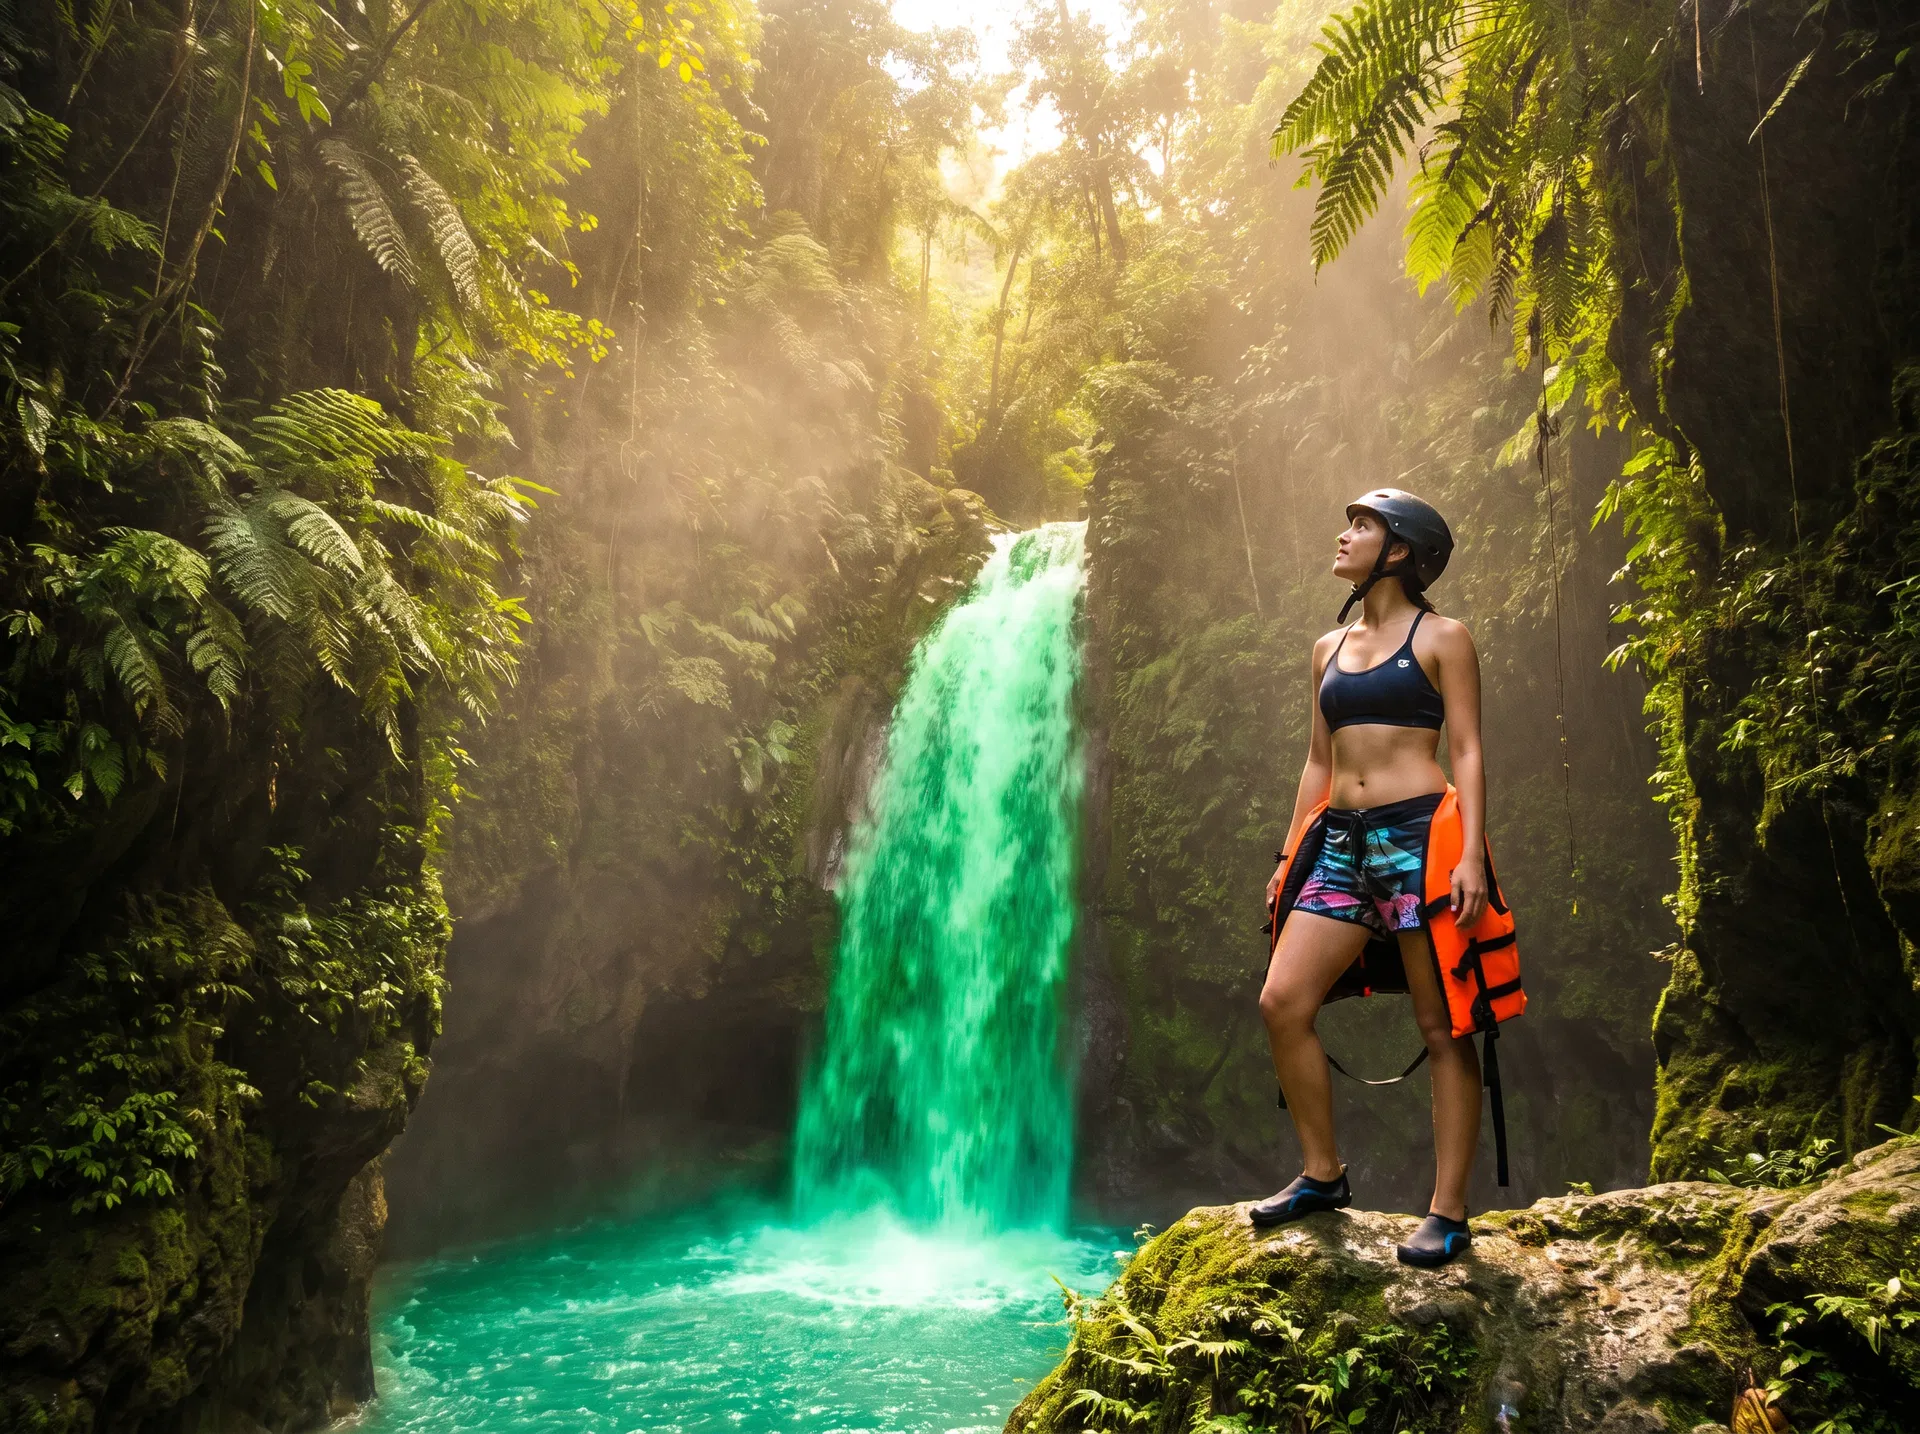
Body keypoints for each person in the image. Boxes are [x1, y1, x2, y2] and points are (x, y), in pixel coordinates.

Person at [1249, 489, 1512, 1269]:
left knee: (1443, 1024)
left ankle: (1448, 1212)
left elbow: (1467, 749)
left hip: (1417, 839)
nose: (1344, 535)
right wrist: (1288, 857)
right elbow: (1318, 760)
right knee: (1282, 1001)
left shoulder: (1443, 638)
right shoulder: (1326, 649)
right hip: (1338, 841)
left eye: (1361, 525)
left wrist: (1471, 853)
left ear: (1399, 549)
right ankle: (1322, 1174)